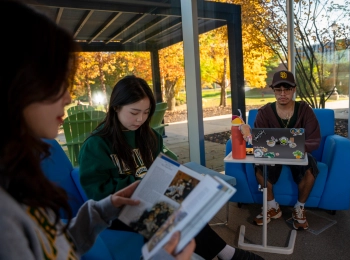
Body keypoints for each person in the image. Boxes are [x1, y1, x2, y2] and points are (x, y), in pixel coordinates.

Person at [0, 1, 195, 259]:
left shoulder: (19, 173)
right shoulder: (6, 214)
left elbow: (56, 244)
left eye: (145, 113)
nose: (69, 97)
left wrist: (104, 209)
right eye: (55, 83)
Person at [78, 75, 264, 260]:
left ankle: (224, 253)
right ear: (116, 107)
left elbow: (163, 168)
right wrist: (141, 184)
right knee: (173, 215)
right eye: (134, 112)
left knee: (188, 203)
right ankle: (227, 253)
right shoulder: (96, 145)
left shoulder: (150, 137)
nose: (141, 119)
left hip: (153, 199)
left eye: (146, 112)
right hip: (119, 212)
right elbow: (97, 193)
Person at [252, 70, 321, 230]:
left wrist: (297, 148)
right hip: (272, 155)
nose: (283, 94)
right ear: (274, 90)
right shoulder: (264, 112)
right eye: (278, 90)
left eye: (287, 89)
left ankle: (299, 207)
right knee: (259, 167)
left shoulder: (304, 110)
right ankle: (272, 206)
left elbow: (314, 139)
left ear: (294, 89)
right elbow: (259, 141)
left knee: (310, 169)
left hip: (299, 154)